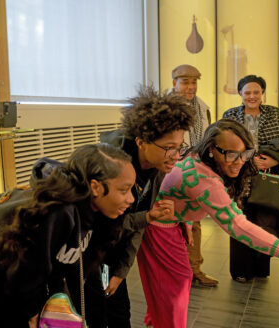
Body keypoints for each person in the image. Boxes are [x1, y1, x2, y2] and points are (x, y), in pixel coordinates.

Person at [137, 119, 279, 328]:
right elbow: (237, 225)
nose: (239, 161)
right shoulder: (203, 179)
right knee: (175, 290)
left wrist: (185, 223)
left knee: (172, 286)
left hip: (171, 224)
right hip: (160, 229)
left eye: (245, 154)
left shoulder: (197, 158)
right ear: (211, 150)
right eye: (231, 154)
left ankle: (157, 319)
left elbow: (175, 192)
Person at [0, 143, 142, 327]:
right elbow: (26, 276)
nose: (131, 199)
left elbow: (68, 266)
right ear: (96, 187)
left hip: (8, 285)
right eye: (123, 190)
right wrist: (32, 316)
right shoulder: (59, 211)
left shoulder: (89, 211)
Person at [88, 86, 195, 327]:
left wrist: (121, 271)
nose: (176, 156)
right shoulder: (113, 168)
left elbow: (135, 227)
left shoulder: (156, 170)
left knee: (118, 313)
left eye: (179, 147)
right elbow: (103, 227)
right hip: (92, 254)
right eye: (169, 148)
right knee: (101, 315)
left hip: (112, 253)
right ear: (141, 142)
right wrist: (147, 216)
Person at [223, 74, 279, 282]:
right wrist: (248, 160)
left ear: (262, 93)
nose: (252, 96)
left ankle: (261, 269)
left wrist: (273, 160)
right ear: (240, 94)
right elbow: (225, 146)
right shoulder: (230, 115)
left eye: (256, 92)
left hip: (269, 178)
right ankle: (241, 270)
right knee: (240, 220)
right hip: (240, 176)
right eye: (247, 93)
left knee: (263, 222)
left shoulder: (275, 113)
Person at [169, 64, 218, 287]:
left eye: (194, 82)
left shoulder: (202, 108)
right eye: (185, 82)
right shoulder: (162, 108)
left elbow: (207, 139)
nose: (191, 87)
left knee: (194, 220)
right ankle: (177, 271)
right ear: (174, 83)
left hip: (194, 168)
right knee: (169, 223)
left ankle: (194, 270)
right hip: (169, 171)